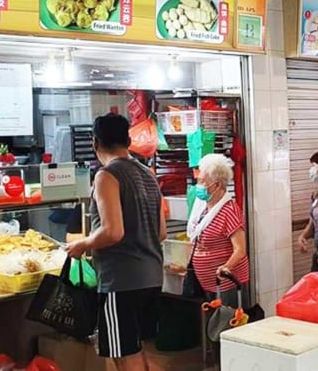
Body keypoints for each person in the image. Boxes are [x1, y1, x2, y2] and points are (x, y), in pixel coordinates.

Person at [66, 113, 166, 371]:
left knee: (124, 355)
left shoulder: (106, 176)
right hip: (152, 277)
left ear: (95, 142)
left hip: (121, 280)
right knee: (141, 349)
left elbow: (113, 232)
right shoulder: (148, 174)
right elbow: (161, 232)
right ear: (128, 140)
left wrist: (83, 245)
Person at [186, 153, 249, 304]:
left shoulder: (229, 210)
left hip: (226, 283)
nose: (198, 186)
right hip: (204, 282)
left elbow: (240, 250)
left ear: (218, 185)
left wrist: (226, 267)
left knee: (226, 322)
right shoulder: (202, 207)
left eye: (202, 182)